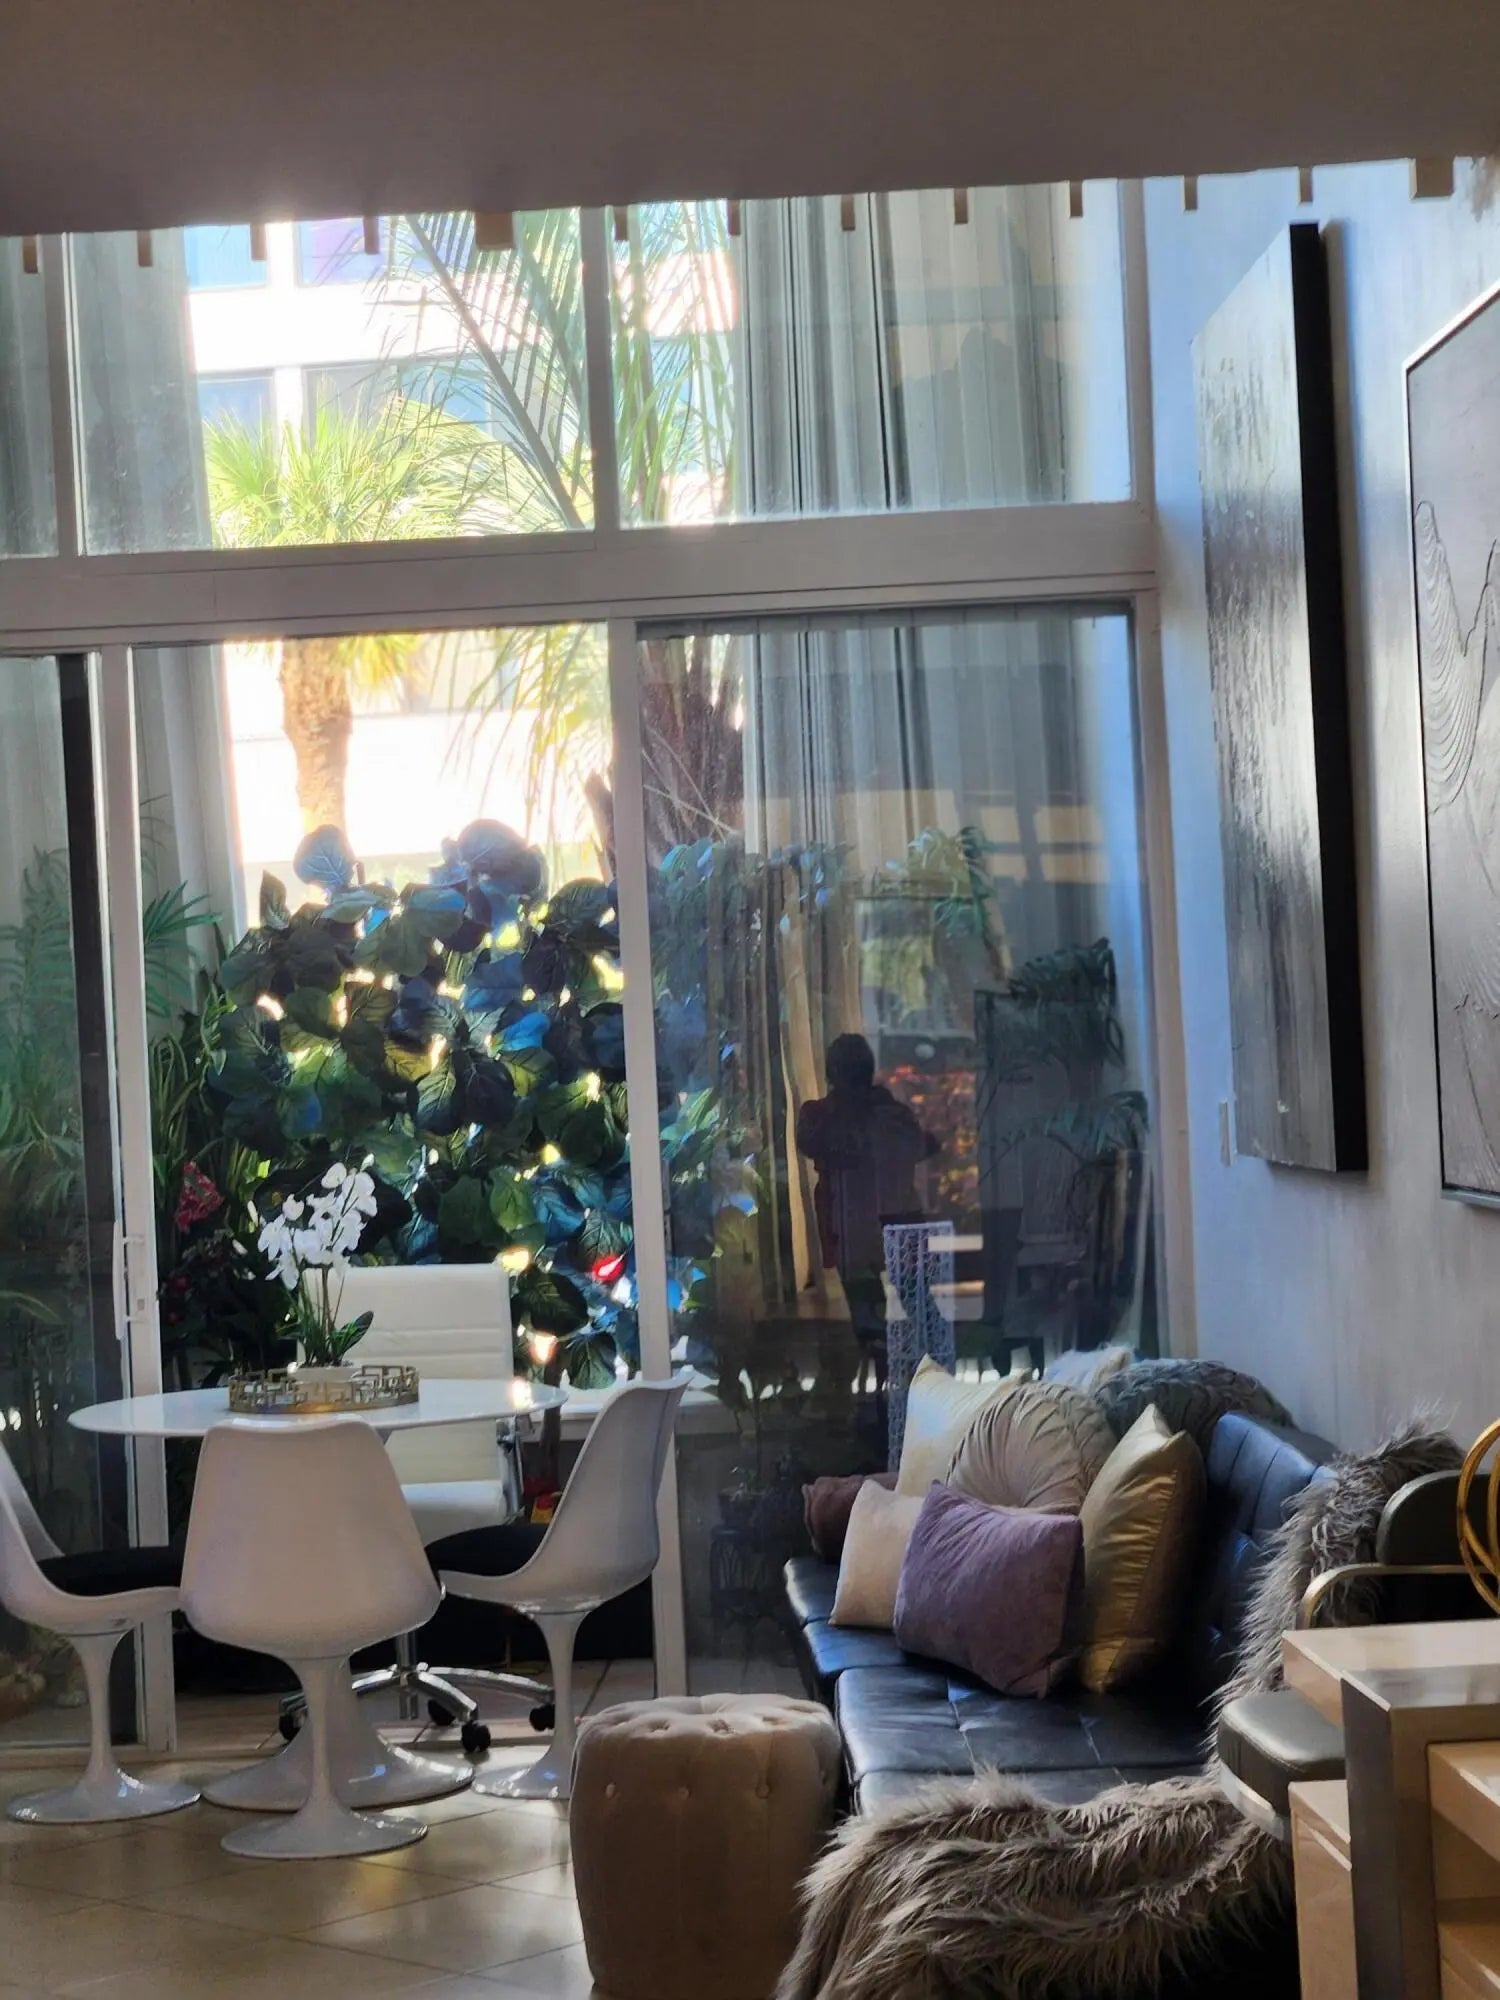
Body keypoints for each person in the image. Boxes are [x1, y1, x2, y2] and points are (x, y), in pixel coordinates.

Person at [795, 1033, 935, 1390]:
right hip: (873, 1224)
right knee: (890, 1314)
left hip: (862, 1227)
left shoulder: (855, 1115)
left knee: (885, 1314)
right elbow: (921, 1146)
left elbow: (918, 1146)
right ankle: (900, 1385)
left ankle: (900, 1383)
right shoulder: (840, 1116)